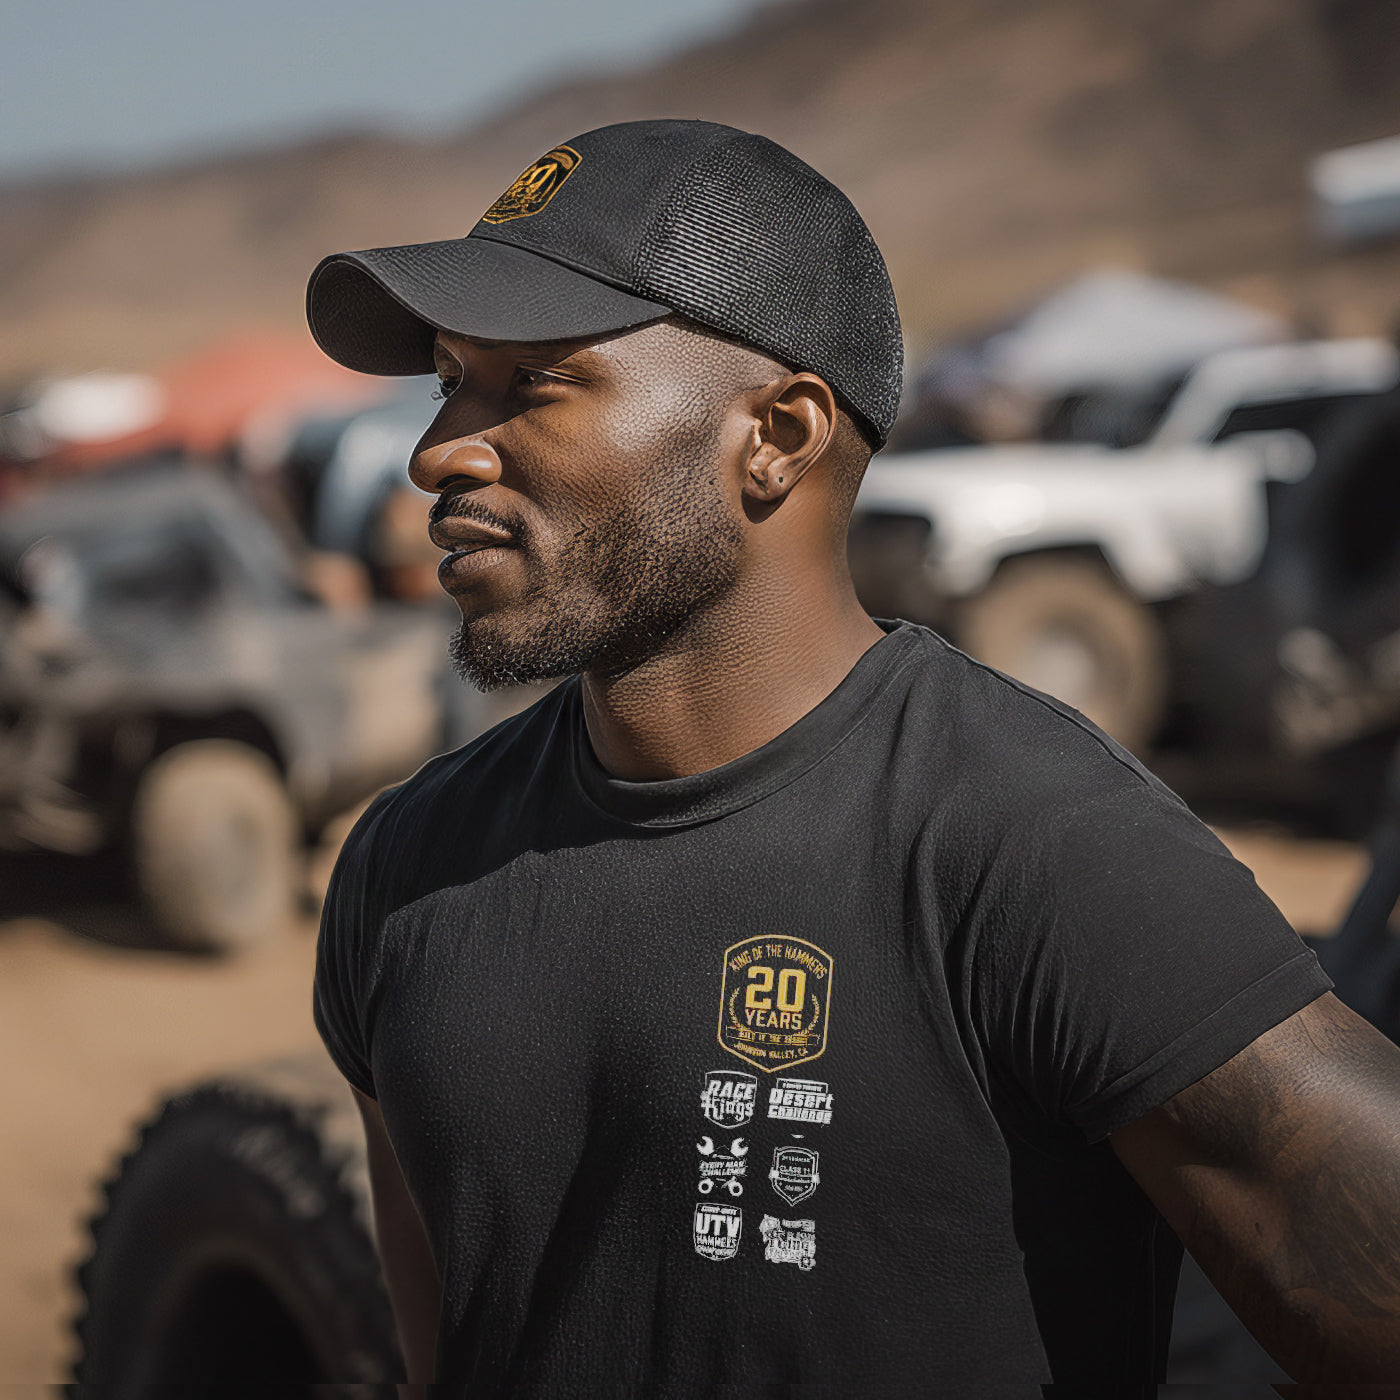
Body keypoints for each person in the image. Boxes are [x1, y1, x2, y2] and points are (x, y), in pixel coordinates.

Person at [306, 119, 1400, 1397]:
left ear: (776, 432)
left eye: (533, 382)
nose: (439, 448)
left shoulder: (1029, 842)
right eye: (446, 377)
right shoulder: (408, 863)